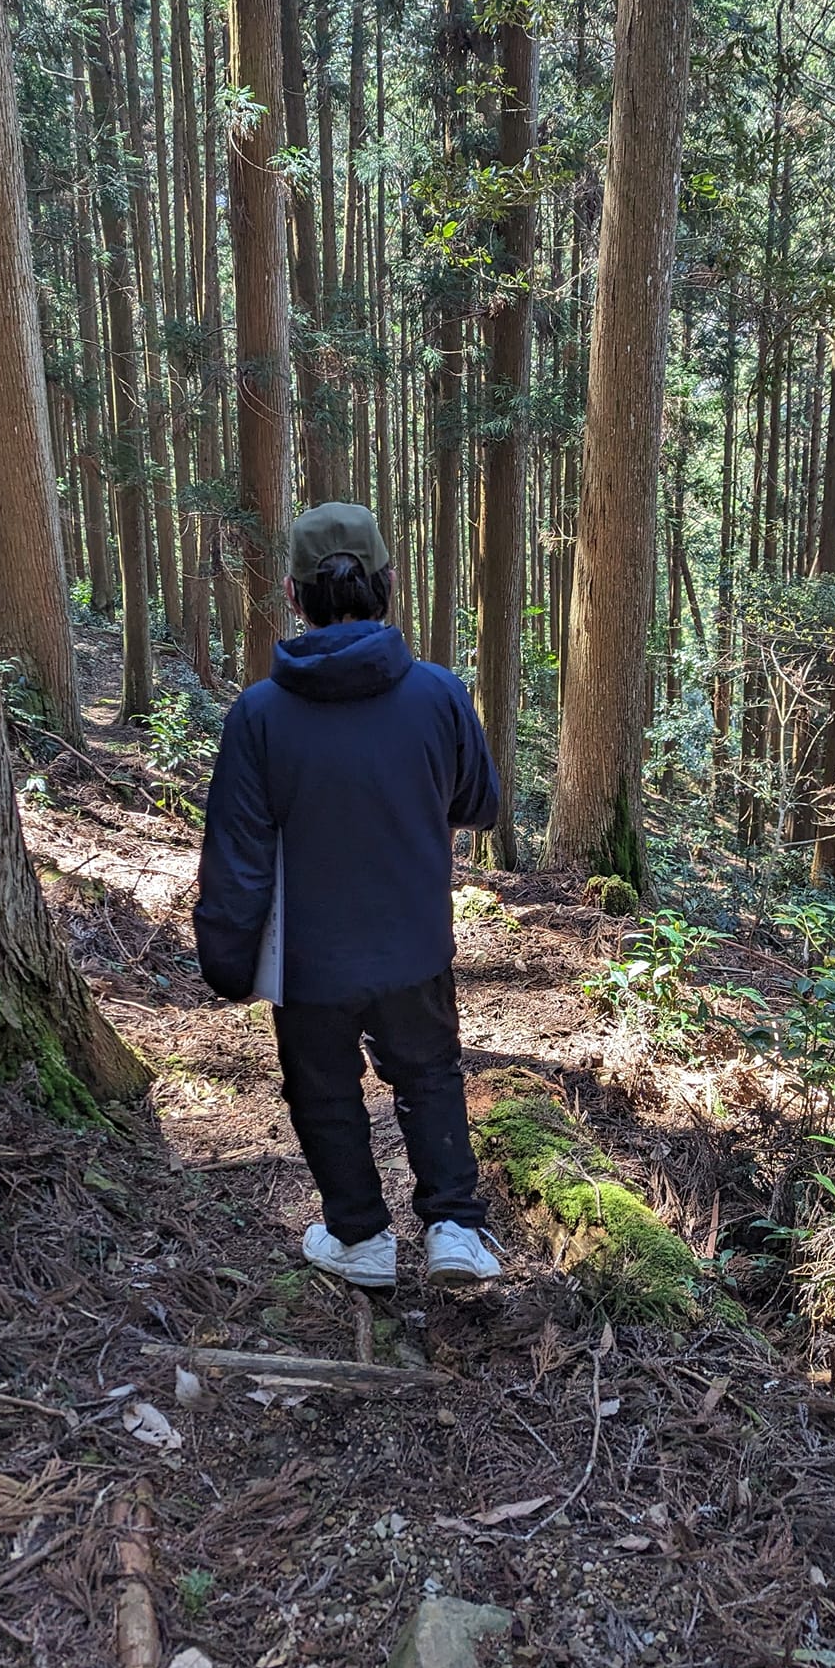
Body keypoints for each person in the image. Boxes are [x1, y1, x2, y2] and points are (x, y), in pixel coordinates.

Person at [193, 502, 503, 1290]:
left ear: (295, 598)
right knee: (429, 1072)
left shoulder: (259, 716)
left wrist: (227, 958)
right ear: (387, 584)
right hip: (415, 947)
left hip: (308, 961)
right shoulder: (438, 694)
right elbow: (480, 804)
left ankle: (361, 1238)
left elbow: (238, 857)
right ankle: (454, 1229)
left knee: (322, 1089)